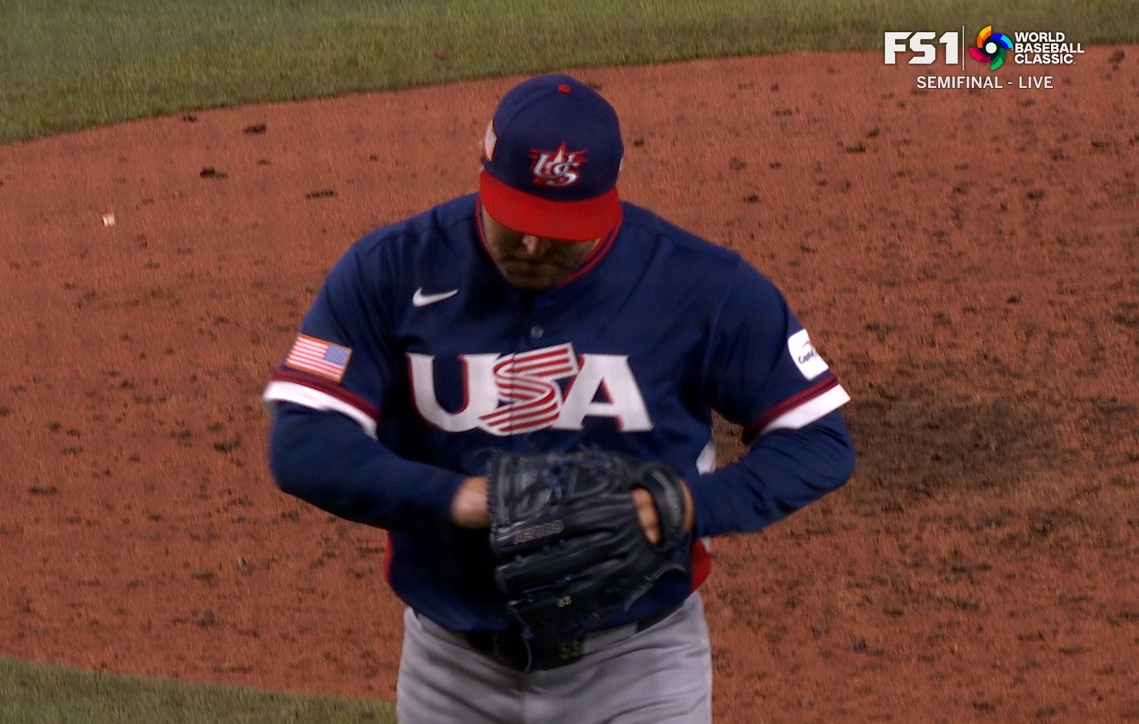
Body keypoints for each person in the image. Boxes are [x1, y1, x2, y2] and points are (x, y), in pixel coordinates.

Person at [264, 72, 855, 723]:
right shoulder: (390, 269)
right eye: (517, 219)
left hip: (640, 670)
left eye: (560, 227)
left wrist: (681, 508)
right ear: (484, 175)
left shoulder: (702, 286)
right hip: (450, 673)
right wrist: (468, 500)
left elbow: (819, 442)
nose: (533, 245)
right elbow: (303, 443)